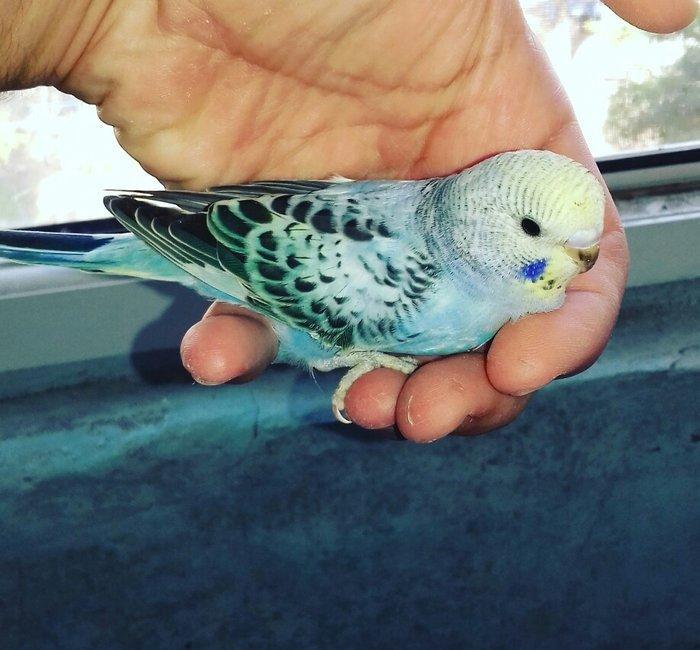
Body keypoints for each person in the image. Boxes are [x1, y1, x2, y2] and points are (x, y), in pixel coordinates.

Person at [2, 0, 696, 441]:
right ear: (489, 218)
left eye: (582, 245)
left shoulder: (461, 238)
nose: (582, 262)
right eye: (541, 236)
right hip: (233, 250)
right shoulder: (422, 293)